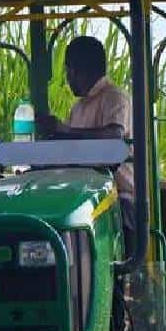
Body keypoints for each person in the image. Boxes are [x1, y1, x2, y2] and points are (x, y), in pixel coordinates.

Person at [35, 36, 136, 246]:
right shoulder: (78, 107)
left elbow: (114, 136)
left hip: (117, 195)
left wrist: (65, 130)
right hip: (82, 193)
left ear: (79, 70)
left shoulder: (114, 97)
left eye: (68, 71)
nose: (68, 79)